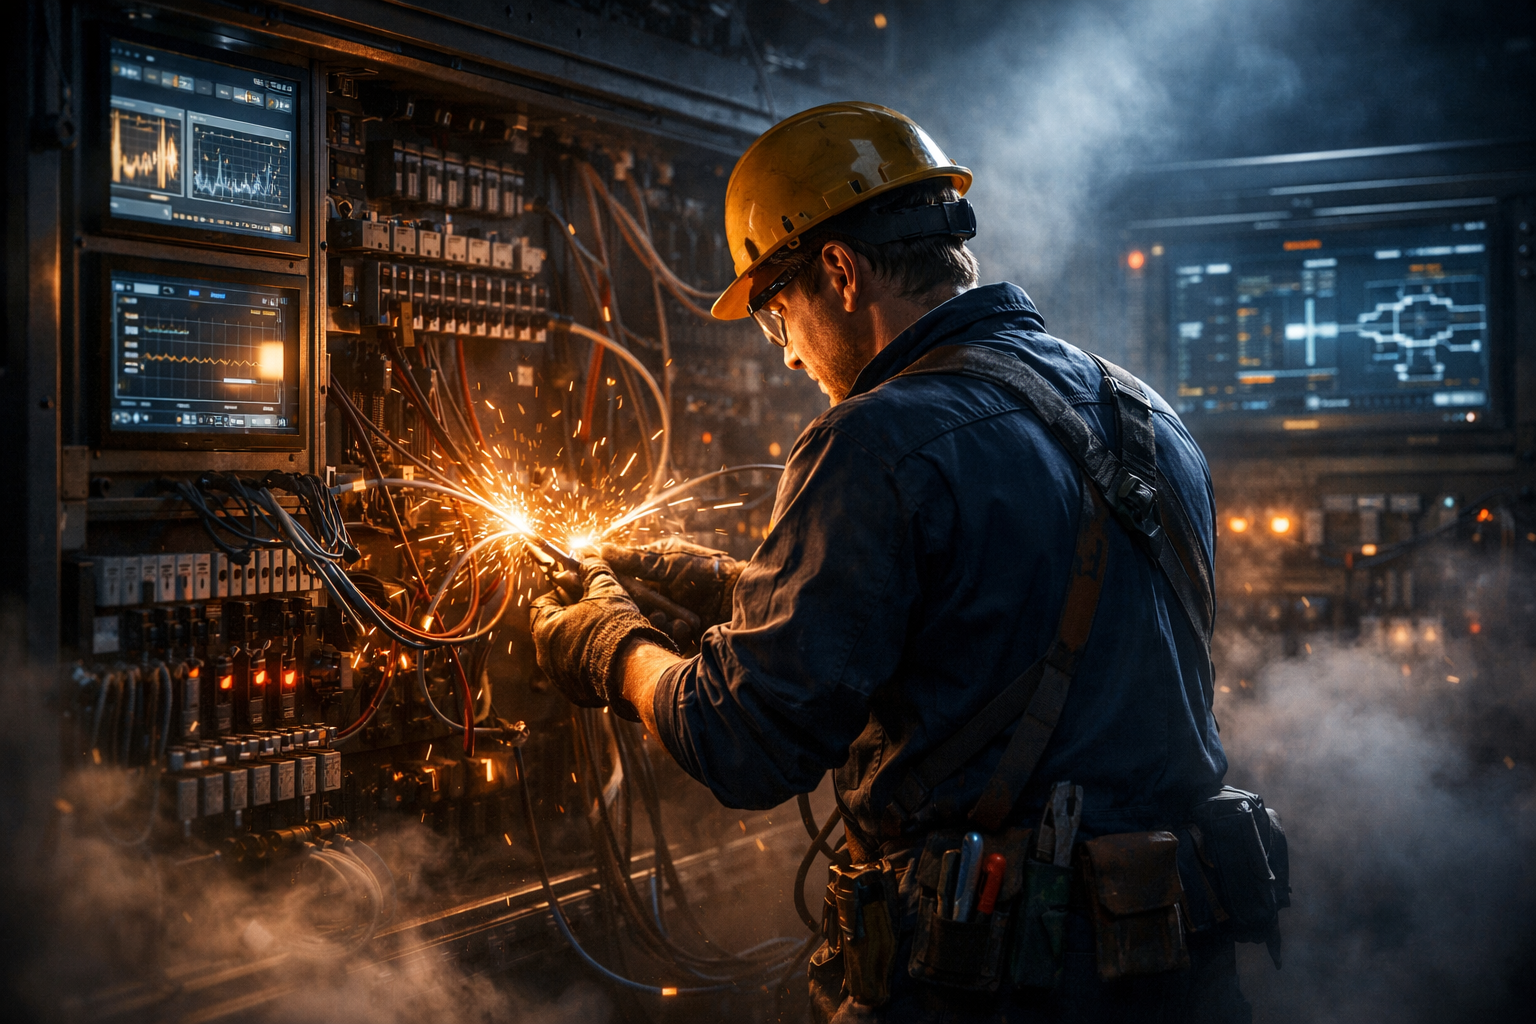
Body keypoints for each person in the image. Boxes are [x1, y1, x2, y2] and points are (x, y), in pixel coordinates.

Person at [531, 102, 1255, 1022]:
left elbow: (744, 743)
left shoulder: (876, 439)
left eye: (774, 311)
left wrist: (609, 645)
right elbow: (979, 623)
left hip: (999, 987)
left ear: (837, 271)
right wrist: (732, 592)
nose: (787, 353)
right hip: (1175, 969)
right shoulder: (1142, 416)